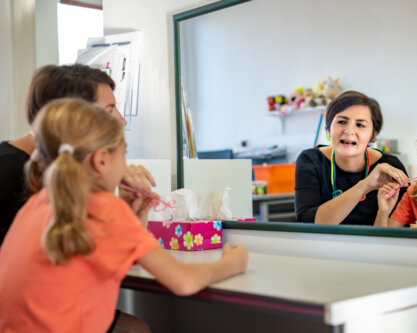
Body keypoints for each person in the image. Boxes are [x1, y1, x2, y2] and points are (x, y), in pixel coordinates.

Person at [0, 98, 248, 332]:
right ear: (101, 160)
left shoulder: (38, 204)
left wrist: (134, 217)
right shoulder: (104, 207)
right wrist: (231, 264)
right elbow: (184, 282)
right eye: (124, 152)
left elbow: (110, 255)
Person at [0, 64, 154, 245]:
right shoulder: (8, 173)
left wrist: (131, 214)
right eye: (109, 110)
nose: (121, 121)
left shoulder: (69, 171)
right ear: (72, 116)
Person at [295, 90, 409, 224]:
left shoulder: (390, 166)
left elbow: (401, 229)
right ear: (329, 127)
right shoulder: (311, 160)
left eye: (360, 125)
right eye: (342, 122)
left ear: (374, 134)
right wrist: (365, 185)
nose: (349, 131)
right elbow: (307, 223)